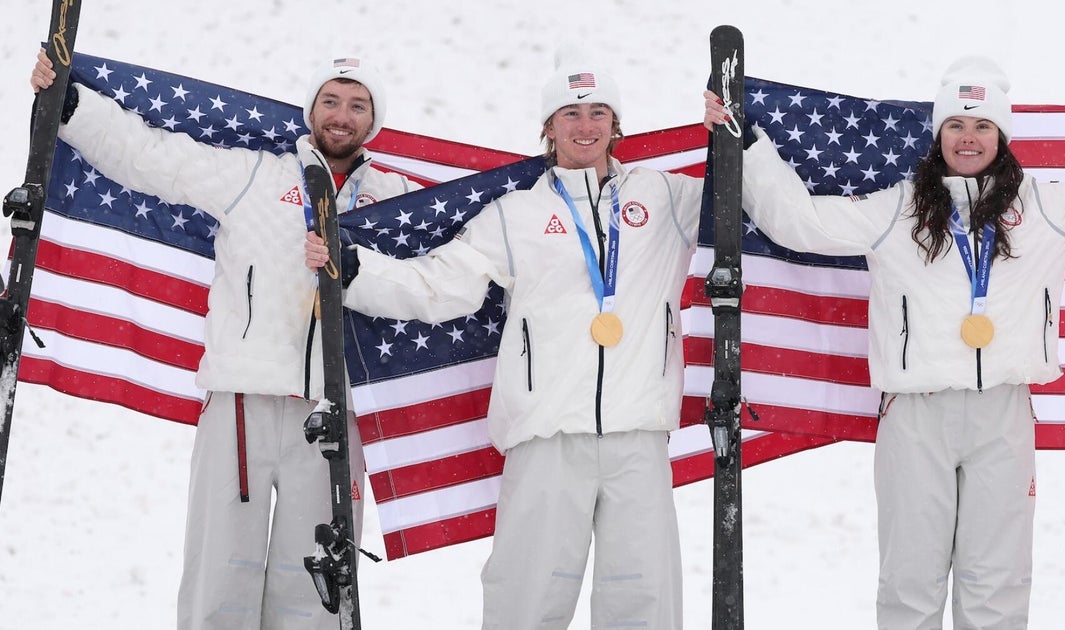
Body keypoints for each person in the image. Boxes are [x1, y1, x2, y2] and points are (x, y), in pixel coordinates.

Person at [704, 56, 1065, 629]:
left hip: (1003, 416)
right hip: (917, 415)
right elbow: (802, 223)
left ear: (1002, 135)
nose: (969, 138)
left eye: (983, 125)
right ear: (939, 134)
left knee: (998, 583)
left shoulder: (1044, 208)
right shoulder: (898, 209)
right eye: (957, 125)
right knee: (910, 582)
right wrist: (746, 145)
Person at [305, 54, 702, 630]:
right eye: (569, 114)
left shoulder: (666, 198)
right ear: (548, 127)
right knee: (526, 598)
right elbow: (444, 284)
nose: (585, 126)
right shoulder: (516, 214)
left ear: (616, 124)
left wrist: (739, 137)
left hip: (638, 435)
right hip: (546, 438)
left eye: (598, 112)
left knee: (644, 601)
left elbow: (742, 199)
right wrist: (356, 268)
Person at [30, 50, 420, 630]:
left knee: (314, 591)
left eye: (358, 106)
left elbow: (433, 281)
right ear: (311, 110)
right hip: (241, 404)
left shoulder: (397, 199)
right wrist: (71, 103)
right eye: (331, 101)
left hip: (334, 413)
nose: (342, 115)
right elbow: (152, 157)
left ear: (374, 120)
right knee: (219, 577)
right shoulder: (256, 174)